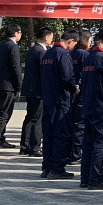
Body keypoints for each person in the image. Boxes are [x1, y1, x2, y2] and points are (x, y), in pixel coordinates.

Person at [80, 25, 103, 190]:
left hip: (89, 105)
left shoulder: (89, 57)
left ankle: (86, 177)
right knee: (101, 142)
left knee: (89, 142)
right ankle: (95, 178)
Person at [41, 29, 79, 180]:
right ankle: (57, 168)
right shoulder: (63, 54)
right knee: (61, 134)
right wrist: (74, 89)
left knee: (48, 134)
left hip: (48, 99)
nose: (73, 48)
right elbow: (67, 77)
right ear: (70, 41)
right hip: (61, 100)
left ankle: (47, 167)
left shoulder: (47, 54)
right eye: (74, 45)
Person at [20, 26, 53, 157]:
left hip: (30, 89)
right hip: (38, 90)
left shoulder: (32, 49)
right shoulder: (42, 52)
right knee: (37, 119)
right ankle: (35, 147)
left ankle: (25, 145)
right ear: (46, 37)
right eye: (51, 37)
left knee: (30, 117)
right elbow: (44, 72)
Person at [0, 23, 23, 149]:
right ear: (16, 33)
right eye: (20, 33)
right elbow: (16, 67)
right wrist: (20, 84)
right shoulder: (13, 46)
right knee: (4, 112)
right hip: (9, 85)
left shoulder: (1, 45)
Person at [69, 28, 90, 163]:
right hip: (82, 93)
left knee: (71, 123)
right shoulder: (85, 55)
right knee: (80, 125)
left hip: (71, 91)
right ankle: (76, 153)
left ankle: (69, 151)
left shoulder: (70, 53)